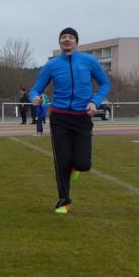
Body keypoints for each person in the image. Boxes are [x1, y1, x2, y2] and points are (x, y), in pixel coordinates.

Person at [30, 27, 111, 214]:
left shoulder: (89, 61)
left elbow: (105, 83)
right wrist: (35, 97)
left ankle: (76, 167)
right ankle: (64, 201)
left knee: (83, 163)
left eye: (71, 37)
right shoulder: (52, 65)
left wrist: (95, 101)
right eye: (63, 37)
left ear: (76, 42)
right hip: (60, 118)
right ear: (59, 42)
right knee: (62, 161)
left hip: (82, 117)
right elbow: (36, 89)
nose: (66, 39)